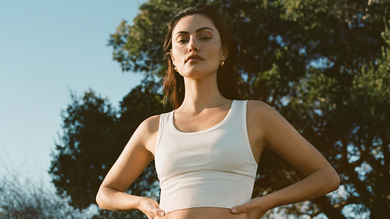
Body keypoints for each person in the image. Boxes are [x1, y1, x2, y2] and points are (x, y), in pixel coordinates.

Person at [96, 5, 340, 219]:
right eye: (182, 40)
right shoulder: (153, 128)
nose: (192, 46)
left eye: (204, 37)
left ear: (223, 52)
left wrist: (264, 203)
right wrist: (141, 203)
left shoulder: (254, 115)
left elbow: (326, 176)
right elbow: (105, 193)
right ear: (173, 59)